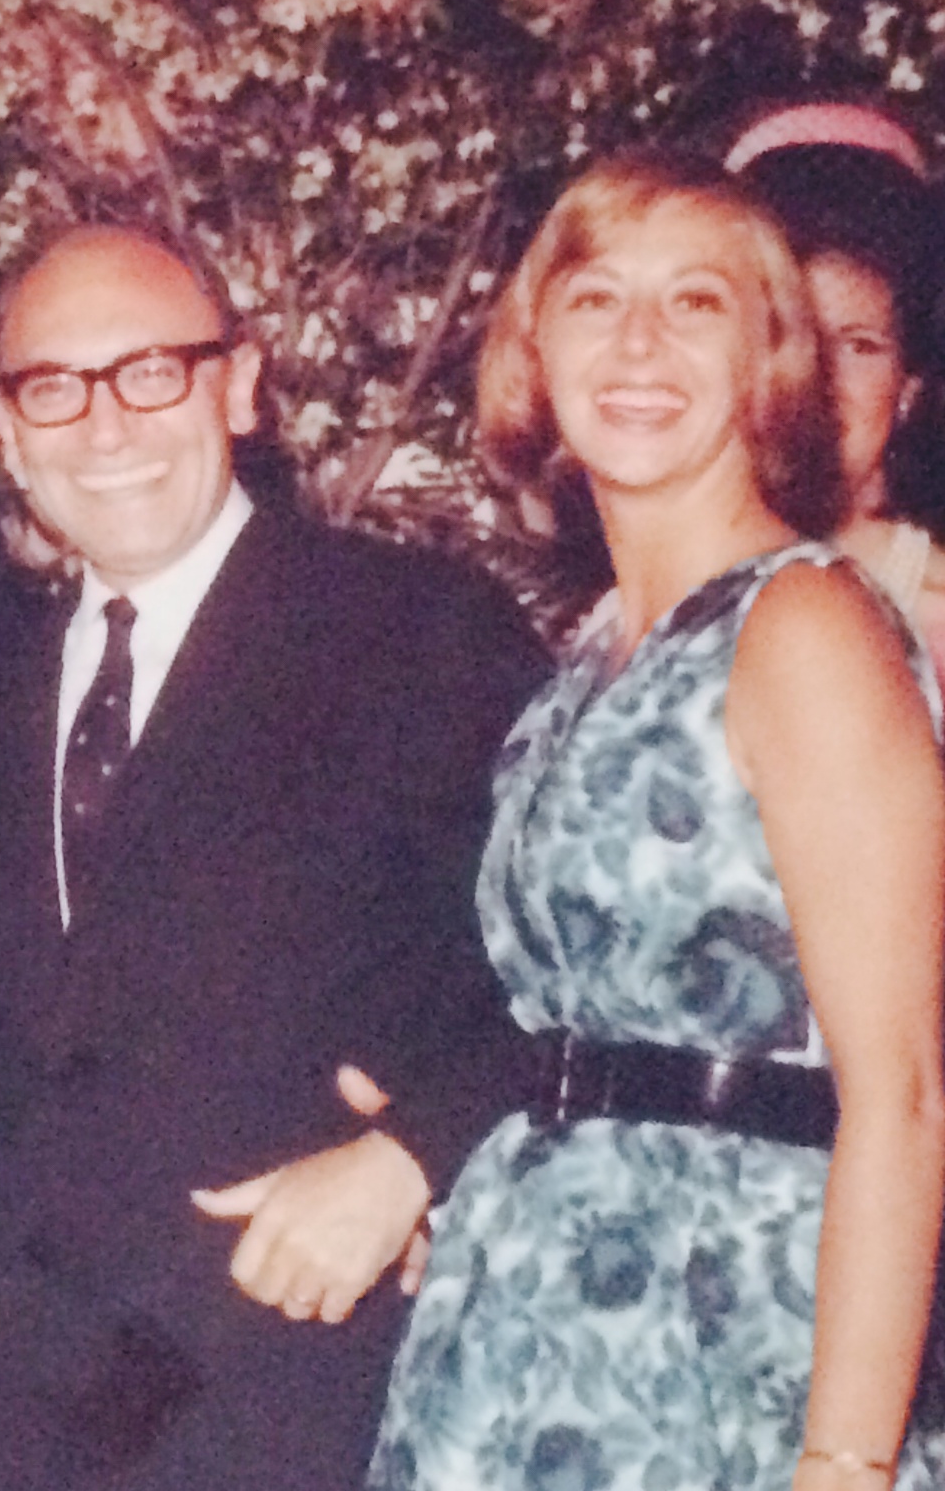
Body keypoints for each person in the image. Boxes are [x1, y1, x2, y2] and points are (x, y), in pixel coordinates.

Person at [369, 151, 945, 1491]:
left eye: (695, 302)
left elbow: (908, 1091)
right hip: (529, 1324)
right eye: (595, 298)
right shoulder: (590, 650)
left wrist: (845, 1463)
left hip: (727, 1329)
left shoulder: (804, 626)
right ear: (536, 352)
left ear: (768, 363)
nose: (639, 342)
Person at [0, 221, 543, 1490]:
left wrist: (410, 1159)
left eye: (151, 369)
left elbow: (570, 971)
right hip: (16, 1406)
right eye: (53, 385)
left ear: (239, 383)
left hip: (298, 1389)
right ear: (5, 426)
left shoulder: (413, 631)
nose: (105, 426)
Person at [727, 99, 945, 664]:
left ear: (907, 389)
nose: (816, 375)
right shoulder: (637, 606)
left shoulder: (933, 616)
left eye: (860, 346)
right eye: (788, 331)